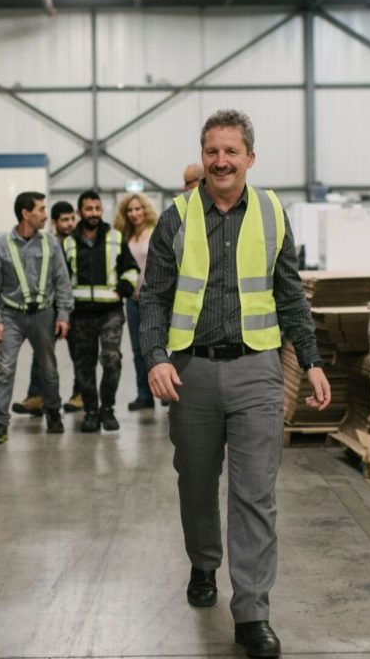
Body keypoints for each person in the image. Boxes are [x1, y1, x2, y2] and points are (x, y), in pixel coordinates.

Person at [140, 109, 330, 659]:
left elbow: (290, 293)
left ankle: (251, 613)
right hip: (190, 373)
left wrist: (311, 360)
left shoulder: (272, 212)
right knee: (196, 483)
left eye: (230, 151)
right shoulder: (175, 217)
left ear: (250, 157)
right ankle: (204, 562)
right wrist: (155, 356)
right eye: (211, 150)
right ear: (203, 155)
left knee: (255, 494)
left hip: (257, 371)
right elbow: (153, 295)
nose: (220, 161)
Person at [0, 192, 73, 443]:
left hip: (44, 314)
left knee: (48, 368)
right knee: (5, 368)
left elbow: (62, 282)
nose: (46, 215)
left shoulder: (50, 244)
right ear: (26, 213)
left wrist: (63, 314)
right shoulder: (0, 246)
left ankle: (53, 412)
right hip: (11, 316)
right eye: (41, 210)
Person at [63, 190, 140, 433]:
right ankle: (90, 412)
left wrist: (124, 288)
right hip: (81, 314)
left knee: (111, 359)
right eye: (89, 209)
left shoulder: (116, 238)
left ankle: (107, 409)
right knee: (84, 365)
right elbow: (62, 278)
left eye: (97, 208)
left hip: (110, 312)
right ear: (79, 212)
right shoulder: (68, 243)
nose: (94, 213)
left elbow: (131, 268)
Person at [13, 200, 83, 415]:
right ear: (55, 222)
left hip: (76, 308)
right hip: (47, 308)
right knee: (41, 355)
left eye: (72, 219)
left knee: (79, 353)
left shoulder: (81, 243)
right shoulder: (45, 243)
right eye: (64, 220)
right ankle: (37, 396)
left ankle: (80, 394)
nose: (70, 224)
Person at [113, 193, 158, 411]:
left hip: (155, 300)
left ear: (145, 210)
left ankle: (167, 391)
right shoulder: (124, 237)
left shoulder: (155, 232)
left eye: (138, 209)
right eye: (130, 210)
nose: (134, 214)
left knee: (159, 346)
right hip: (132, 301)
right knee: (139, 350)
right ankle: (144, 394)